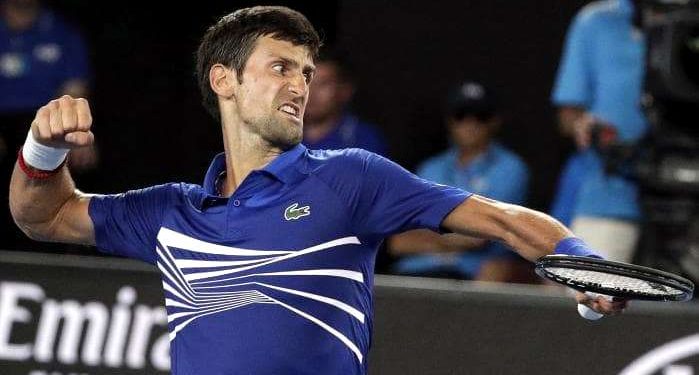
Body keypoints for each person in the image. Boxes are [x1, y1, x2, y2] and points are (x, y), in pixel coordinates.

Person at [9, 6, 626, 374]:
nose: (299, 86)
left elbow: (500, 219)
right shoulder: (172, 212)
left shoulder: (349, 177)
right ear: (223, 79)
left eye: (306, 73)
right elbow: (45, 217)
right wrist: (43, 148)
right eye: (281, 67)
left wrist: (583, 265)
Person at [390, 81, 532, 282]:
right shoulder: (431, 167)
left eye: (481, 116)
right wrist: (456, 235)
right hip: (418, 271)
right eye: (461, 115)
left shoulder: (510, 168)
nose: (470, 124)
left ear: (495, 121)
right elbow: (399, 241)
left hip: (472, 272)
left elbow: (480, 236)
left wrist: (430, 232)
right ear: (449, 121)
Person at [550, 0, 645, 262]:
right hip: (609, 195)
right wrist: (584, 125)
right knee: (590, 299)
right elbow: (568, 115)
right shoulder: (595, 21)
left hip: (690, 199)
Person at [0, 0, 96, 250]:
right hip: (3, 128)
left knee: (78, 147)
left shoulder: (63, 34)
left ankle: (57, 261)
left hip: (45, 129)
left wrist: (74, 132)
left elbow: (74, 94)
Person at [303, 48, 387, 155]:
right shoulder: (279, 135)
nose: (312, 92)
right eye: (306, 82)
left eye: (323, 84)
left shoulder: (363, 141)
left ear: (345, 90)